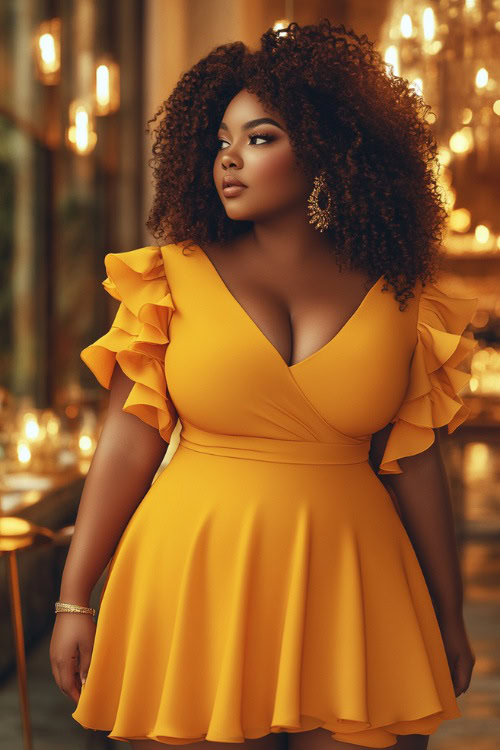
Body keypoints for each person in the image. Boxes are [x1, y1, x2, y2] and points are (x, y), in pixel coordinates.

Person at [50, 19, 477, 750]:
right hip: (192, 575)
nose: (230, 160)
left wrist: (448, 614)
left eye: (259, 137)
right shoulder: (169, 276)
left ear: (328, 150)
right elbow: (126, 445)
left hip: (355, 586)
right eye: (221, 140)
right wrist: (73, 600)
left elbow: (416, 464)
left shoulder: (403, 297)